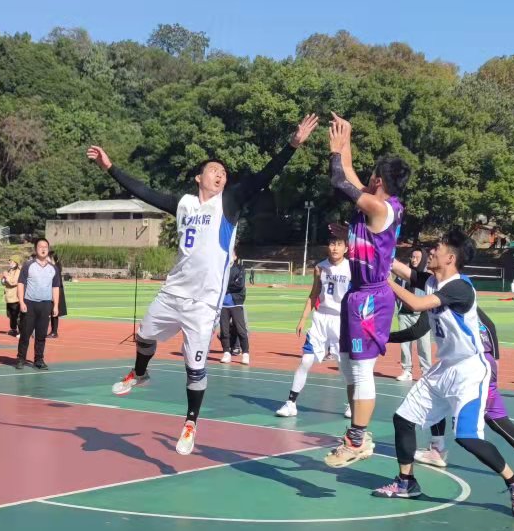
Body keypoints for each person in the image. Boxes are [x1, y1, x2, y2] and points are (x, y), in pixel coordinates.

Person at [90, 112, 319, 456]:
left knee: (194, 368)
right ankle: (139, 373)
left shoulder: (228, 203)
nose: (220, 174)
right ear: (199, 177)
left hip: (204, 302)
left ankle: (190, 422)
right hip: (173, 291)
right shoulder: (183, 204)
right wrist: (110, 167)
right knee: (144, 335)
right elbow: (144, 191)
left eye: (224, 172)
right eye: (214, 169)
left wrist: (292, 145)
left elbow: (262, 177)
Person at [372, 230, 514, 517]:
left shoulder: (459, 287)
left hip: (469, 370)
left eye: (437, 248)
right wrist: (369, 240)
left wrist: (385, 281)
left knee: (467, 437)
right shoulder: (433, 281)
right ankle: (406, 482)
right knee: (403, 419)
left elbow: (417, 304)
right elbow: (399, 267)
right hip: (444, 367)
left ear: (450, 258)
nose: (431, 251)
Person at [320, 115, 409, 469]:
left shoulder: (380, 207)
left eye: (372, 176)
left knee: (361, 370)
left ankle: (356, 439)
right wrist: (347, 139)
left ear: (379, 181)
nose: (367, 179)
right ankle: (358, 432)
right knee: (347, 366)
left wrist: (334, 151)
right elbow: (351, 174)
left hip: (372, 298)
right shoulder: (374, 202)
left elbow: (340, 180)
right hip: (356, 294)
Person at [395, 307, 514, 484]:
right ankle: (437, 448)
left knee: (493, 417)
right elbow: (489, 325)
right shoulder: (462, 300)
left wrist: (383, 337)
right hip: (477, 361)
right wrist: (495, 357)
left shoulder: (440, 298)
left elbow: (417, 330)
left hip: (473, 365)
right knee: (442, 397)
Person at [276, 230, 351, 418]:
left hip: (341, 320)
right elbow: (313, 294)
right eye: (332, 244)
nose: (334, 248)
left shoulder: (352, 268)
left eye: (339, 244)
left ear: (346, 248)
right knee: (306, 361)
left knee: (343, 365)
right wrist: (303, 319)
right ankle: (291, 403)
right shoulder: (320, 267)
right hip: (320, 319)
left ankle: (352, 404)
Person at [14, 237, 60, 370]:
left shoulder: (53, 268)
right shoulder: (28, 265)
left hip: (45, 305)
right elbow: (21, 283)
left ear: (48, 249)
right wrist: (21, 301)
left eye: (45, 247)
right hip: (30, 304)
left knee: (41, 335)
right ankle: (21, 359)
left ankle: (39, 360)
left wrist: (56, 305)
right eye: (40, 247)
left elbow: (55, 287)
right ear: (36, 249)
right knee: (25, 334)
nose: (43, 249)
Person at [395, 246, 433, 382]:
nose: (414, 260)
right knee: (404, 344)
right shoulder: (403, 273)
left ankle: (426, 372)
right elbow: (396, 290)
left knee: (424, 345)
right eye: (412, 257)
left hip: (421, 315)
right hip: (404, 314)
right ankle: (407, 370)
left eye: (417, 257)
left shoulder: (428, 275)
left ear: (423, 259)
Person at [217, 253, 251, 363]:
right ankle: (226, 352)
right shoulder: (220, 268)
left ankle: (245, 353)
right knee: (224, 330)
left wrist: (225, 287)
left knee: (241, 329)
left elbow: (239, 285)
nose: (229, 256)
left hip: (236, 303)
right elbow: (217, 283)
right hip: (223, 304)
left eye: (232, 254)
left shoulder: (240, 268)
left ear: (235, 257)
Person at [48, 249, 67, 339]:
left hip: (55, 292)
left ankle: (54, 332)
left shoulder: (55, 268)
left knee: (54, 313)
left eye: (48, 257)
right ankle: (52, 331)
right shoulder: (53, 267)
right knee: (51, 313)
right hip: (52, 292)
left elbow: (56, 284)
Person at [1, 256, 22, 335]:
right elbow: (4, 282)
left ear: (15, 262)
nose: (9, 262)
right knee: (10, 315)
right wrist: (3, 280)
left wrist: (6, 276)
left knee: (16, 315)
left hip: (15, 296)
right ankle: (13, 329)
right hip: (8, 296)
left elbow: (14, 282)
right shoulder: (10, 270)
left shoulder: (18, 271)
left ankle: (20, 331)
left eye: (11, 261)